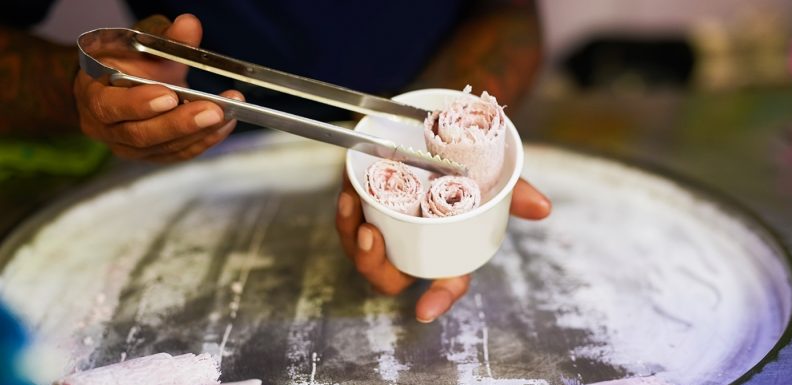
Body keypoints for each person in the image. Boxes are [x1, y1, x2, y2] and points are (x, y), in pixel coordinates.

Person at [0, 1, 551, 321]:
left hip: (408, 111)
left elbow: (511, 11)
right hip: (200, 164)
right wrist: (79, 92)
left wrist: (447, 140)